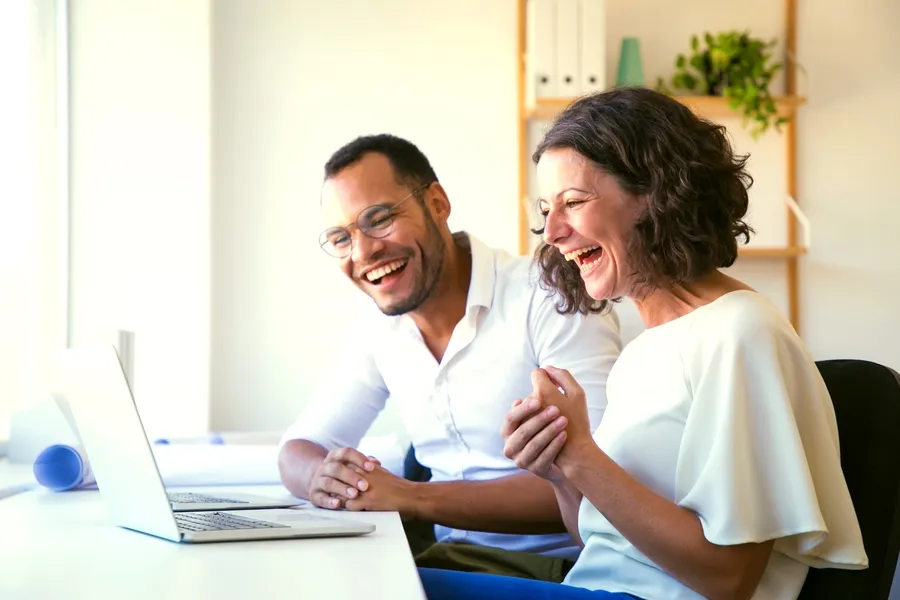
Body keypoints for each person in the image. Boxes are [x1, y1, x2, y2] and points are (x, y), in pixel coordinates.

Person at [417, 87, 868, 600]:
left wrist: (585, 458)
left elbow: (729, 579)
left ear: (657, 193)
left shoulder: (740, 332)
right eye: (548, 209)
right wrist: (562, 468)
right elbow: (597, 541)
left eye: (574, 202)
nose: (554, 232)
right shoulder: (644, 351)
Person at [278, 133, 623, 581]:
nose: (363, 252)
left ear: (437, 203)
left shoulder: (549, 293)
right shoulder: (379, 326)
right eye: (341, 238)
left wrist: (412, 497)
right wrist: (324, 478)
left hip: (560, 570)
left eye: (379, 219)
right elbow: (298, 449)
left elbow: (600, 482)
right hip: (450, 561)